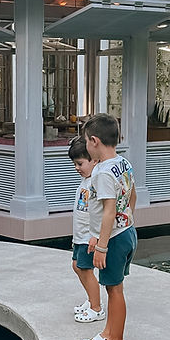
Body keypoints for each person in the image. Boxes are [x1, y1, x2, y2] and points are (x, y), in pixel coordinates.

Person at [81, 113, 137, 340]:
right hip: (126, 232)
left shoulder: (102, 172)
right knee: (115, 288)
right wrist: (123, 224)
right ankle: (108, 333)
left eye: (85, 141)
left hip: (113, 239)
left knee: (114, 291)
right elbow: (132, 196)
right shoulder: (123, 163)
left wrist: (102, 245)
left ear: (94, 141)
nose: (85, 145)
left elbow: (108, 210)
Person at [68, 136, 105, 324]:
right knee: (77, 266)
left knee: (85, 268)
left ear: (94, 160)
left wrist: (95, 236)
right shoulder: (86, 180)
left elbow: (100, 212)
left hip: (89, 237)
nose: (77, 168)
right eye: (74, 164)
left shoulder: (96, 181)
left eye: (80, 163)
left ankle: (96, 308)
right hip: (80, 235)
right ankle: (91, 300)